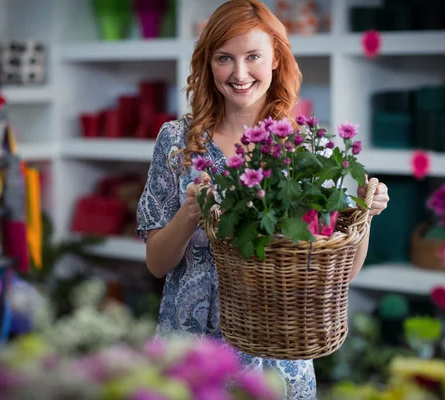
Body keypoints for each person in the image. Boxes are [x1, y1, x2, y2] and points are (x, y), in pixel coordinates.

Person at [136, 0, 390, 398]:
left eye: (253, 56)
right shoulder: (176, 142)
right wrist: (189, 213)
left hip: (278, 363)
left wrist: (364, 214)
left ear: (275, 59)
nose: (239, 74)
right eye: (224, 58)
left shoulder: (305, 146)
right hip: (192, 356)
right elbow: (156, 264)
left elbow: (340, 273)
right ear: (208, 64)